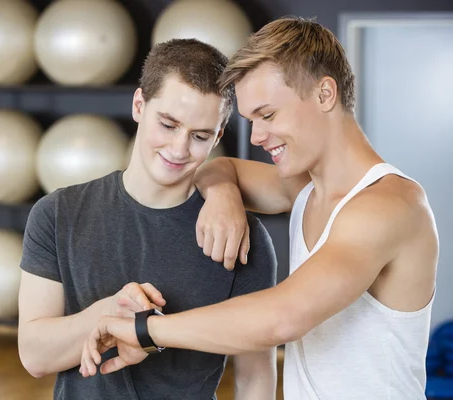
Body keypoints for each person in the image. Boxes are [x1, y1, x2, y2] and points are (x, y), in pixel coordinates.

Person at [79, 16, 439, 400]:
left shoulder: (389, 204)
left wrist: (145, 330)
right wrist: (223, 196)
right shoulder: (305, 189)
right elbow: (221, 167)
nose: (258, 136)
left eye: (268, 115)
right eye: (251, 120)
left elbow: (283, 318)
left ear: (324, 94)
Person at [17, 38, 279, 400]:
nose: (179, 149)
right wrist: (111, 312)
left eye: (200, 136)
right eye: (168, 125)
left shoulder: (241, 237)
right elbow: (34, 355)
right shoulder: (58, 214)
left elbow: (256, 377)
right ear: (139, 105)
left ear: (218, 134)